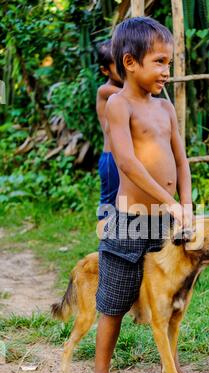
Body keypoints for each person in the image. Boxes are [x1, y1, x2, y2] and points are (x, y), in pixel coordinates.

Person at [83, 17, 208, 373]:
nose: (166, 72)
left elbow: (182, 160)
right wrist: (169, 202)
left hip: (168, 225)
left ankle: (171, 368)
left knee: (174, 299)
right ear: (130, 62)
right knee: (114, 301)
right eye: (159, 62)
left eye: (169, 63)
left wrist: (183, 203)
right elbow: (127, 163)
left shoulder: (165, 108)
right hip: (130, 221)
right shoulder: (119, 105)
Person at [95, 40, 123, 238]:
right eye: (118, 65)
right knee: (109, 203)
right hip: (111, 158)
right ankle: (105, 244)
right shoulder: (106, 91)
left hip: (124, 157)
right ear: (105, 71)